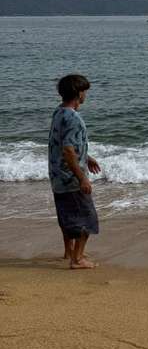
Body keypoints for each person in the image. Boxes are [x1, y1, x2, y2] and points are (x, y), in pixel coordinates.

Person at [48, 74, 101, 269]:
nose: (85, 94)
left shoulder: (58, 112)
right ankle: (77, 259)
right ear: (78, 94)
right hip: (71, 178)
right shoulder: (74, 118)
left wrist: (87, 157)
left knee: (67, 216)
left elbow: (63, 144)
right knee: (86, 218)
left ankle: (69, 252)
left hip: (57, 176)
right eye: (84, 91)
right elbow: (68, 151)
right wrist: (82, 178)